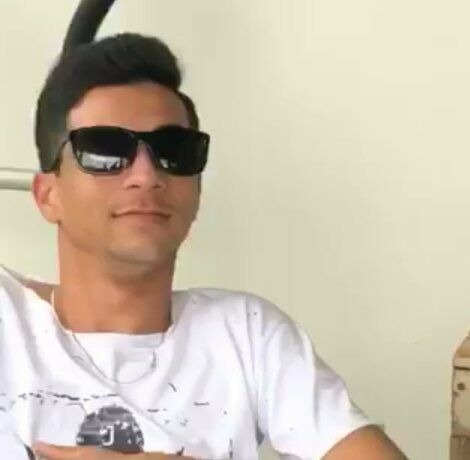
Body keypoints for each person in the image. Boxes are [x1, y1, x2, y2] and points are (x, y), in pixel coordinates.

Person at [0, 26, 407, 460]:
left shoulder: (246, 334)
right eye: (106, 150)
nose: (146, 175)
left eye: (174, 150)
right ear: (47, 195)